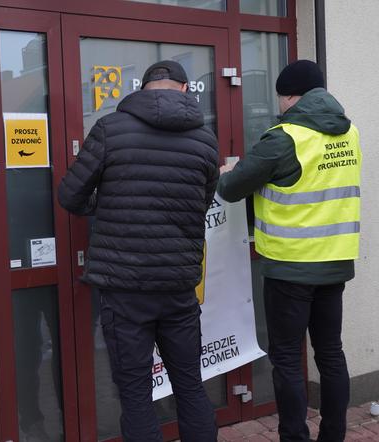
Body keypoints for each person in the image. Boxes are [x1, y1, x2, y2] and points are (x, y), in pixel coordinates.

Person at [58, 60, 219, 442]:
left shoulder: (111, 128)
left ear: (143, 88)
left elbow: (70, 194)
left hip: (124, 287)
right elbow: (202, 201)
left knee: (135, 395)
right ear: (184, 90)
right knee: (190, 387)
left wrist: (107, 204)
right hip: (178, 286)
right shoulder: (204, 139)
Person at [218, 60, 361, 442]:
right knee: (331, 354)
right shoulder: (350, 133)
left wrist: (232, 170)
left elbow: (232, 189)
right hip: (334, 264)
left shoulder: (284, 137)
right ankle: (333, 435)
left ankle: (294, 437)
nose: (280, 104)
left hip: (290, 269)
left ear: (291, 96)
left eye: (281, 97)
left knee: (286, 358)